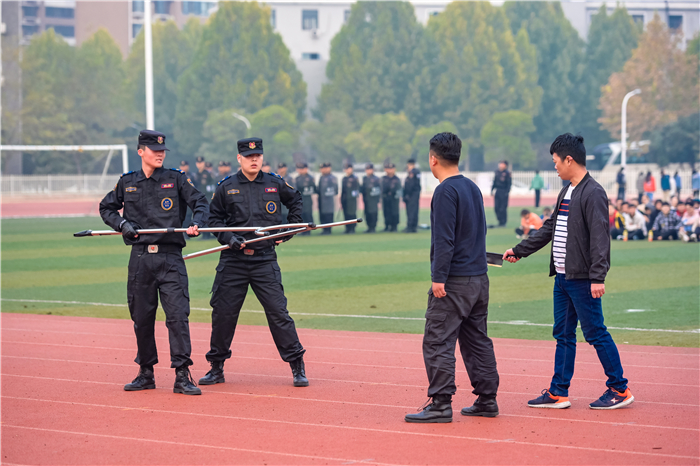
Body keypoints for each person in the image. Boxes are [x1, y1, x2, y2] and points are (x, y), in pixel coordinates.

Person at [503, 133, 633, 410]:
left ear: (569, 159)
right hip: (562, 278)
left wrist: (598, 276)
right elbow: (550, 228)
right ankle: (558, 391)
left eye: (555, 161)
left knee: (595, 332)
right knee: (563, 334)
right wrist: (519, 250)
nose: (555, 167)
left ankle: (619, 389)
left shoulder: (593, 192)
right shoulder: (568, 190)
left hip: (583, 279)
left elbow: (600, 238)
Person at [99, 130, 209, 395]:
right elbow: (106, 208)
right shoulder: (127, 182)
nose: (159, 154)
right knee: (142, 317)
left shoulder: (176, 179)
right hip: (140, 259)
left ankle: (182, 375)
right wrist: (122, 224)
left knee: (177, 317)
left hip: (170, 258)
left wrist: (196, 223)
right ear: (141, 152)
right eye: (154, 150)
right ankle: (145, 373)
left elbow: (201, 202)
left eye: (162, 151)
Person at [405, 132, 499, 424]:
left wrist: (438, 279)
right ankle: (487, 399)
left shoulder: (445, 191)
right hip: (479, 278)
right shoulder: (472, 188)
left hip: (455, 280)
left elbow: (443, 240)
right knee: (476, 339)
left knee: (437, 340)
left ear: (433, 159)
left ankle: (441, 402)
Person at [199, 137, 308, 388]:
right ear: (239, 159)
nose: (254, 160)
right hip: (233, 260)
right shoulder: (226, 187)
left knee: (278, 313)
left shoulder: (274, 183)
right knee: (223, 314)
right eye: (249, 157)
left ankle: (297, 366)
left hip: (264, 259)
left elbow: (296, 201)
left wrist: (286, 232)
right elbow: (213, 220)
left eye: (258, 156)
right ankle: (216, 367)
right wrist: (229, 238)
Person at [294, 162, 316, 234]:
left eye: (302, 169)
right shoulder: (297, 179)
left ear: (306, 169)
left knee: (308, 214)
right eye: (300, 169)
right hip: (300, 200)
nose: (301, 170)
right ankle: (303, 230)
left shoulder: (310, 178)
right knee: (301, 215)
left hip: (307, 199)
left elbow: (314, 189)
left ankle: (309, 230)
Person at [318, 162, 338, 233]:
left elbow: (335, 190)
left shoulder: (332, 178)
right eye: (322, 169)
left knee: (328, 215)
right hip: (321, 200)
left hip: (329, 200)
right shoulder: (321, 178)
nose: (323, 170)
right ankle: (324, 229)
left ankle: (328, 230)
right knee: (322, 215)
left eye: (325, 168)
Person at [362, 163, 382, 233]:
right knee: (367, 214)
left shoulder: (376, 179)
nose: (369, 171)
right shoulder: (364, 178)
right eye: (367, 169)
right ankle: (369, 227)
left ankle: (373, 227)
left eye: (370, 169)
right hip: (366, 199)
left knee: (373, 213)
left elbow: (379, 190)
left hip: (373, 200)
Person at [403, 159, 421, 233]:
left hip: (411, 195)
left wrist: (407, 194)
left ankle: (410, 227)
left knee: (411, 211)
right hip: (415, 194)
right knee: (414, 210)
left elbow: (410, 185)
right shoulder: (417, 172)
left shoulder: (412, 172)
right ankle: (414, 226)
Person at [382, 162, 401, 232]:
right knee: (386, 212)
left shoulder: (396, 179)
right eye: (388, 169)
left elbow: (399, 190)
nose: (389, 170)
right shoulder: (383, 179)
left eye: (391, 169)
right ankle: (387, 226)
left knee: (394, 212)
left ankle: (394, 226)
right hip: (386, 198)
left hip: (394, 199)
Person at [491, 160, 512, 227]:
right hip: (498, 191)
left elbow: (509, 183)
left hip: (504, 191)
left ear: (505, 165)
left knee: (503, 208)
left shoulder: (507, 173)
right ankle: (499, 221)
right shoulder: (497, 172)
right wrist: (492, 190)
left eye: (502, 164)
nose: (500, 165)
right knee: (496, 207)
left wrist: (507, 192)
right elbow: (494, 181)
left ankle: (503, 222)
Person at [341, 163, 359, 233]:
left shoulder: (354, 178)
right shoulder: (344, 178)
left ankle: (352, 228)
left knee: (352, 214)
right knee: (346, 214)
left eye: (349, 168)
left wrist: (352, 197)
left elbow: (357, 189)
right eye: (346, 169)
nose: (347, 170)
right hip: (345, 199)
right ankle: (347, 228)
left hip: (351, 200)